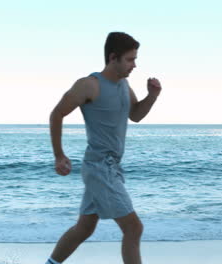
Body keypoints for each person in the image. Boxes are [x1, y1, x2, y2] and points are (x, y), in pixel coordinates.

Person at [46, 32, 162, 264]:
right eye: (130, 59)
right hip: (100, 168)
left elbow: (136, 114)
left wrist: (153, 96)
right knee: (134, 228)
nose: (134, 65)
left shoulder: (124, 85)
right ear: (113, 58)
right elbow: (57, 113)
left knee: (84, 228)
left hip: (110, 167)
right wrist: (59, 154)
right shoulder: (89, 85)